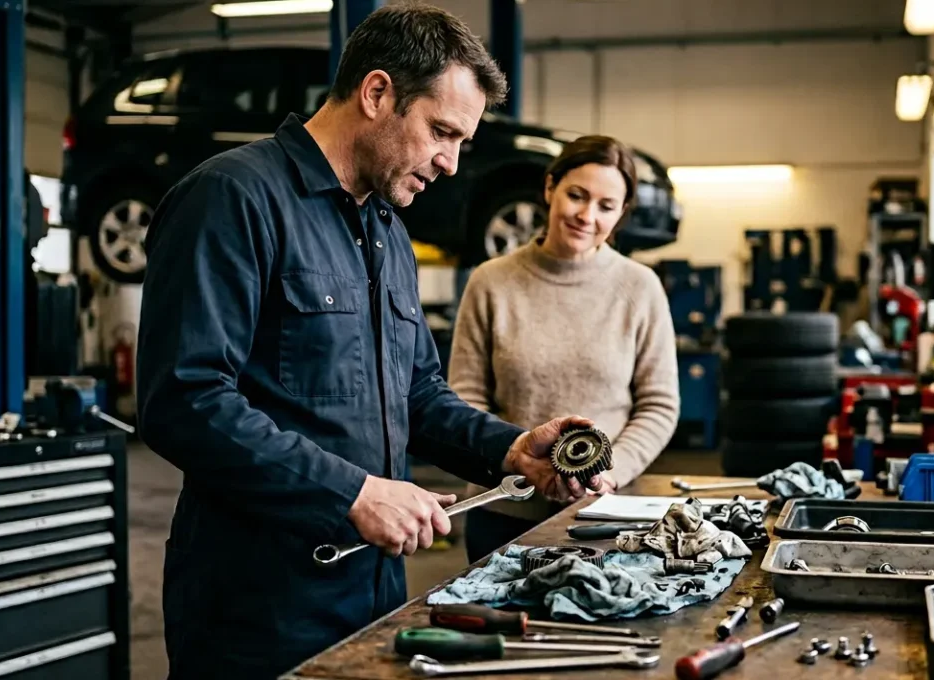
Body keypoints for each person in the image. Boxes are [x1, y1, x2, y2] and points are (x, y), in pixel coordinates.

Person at [134, 5, 603, 678]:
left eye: (463, 141)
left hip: (374, 595)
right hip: (258, 608)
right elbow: (185, 401)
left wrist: (510, 449)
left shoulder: (386, 230)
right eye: (442, 131)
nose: (450, 162)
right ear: (378, 93)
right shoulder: (231, 199)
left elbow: (415, 395)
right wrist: (350, 493)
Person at [447, 135, 681, 564]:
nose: (587, 216)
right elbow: (466, 398)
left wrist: (613, 470)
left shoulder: (640, 288)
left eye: (606, 206)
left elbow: (659, 404)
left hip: (604, 515)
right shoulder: (491, 281)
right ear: (550, 187)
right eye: (576, 195)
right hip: (502, 508)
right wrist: (515, 460)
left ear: (620, 214)